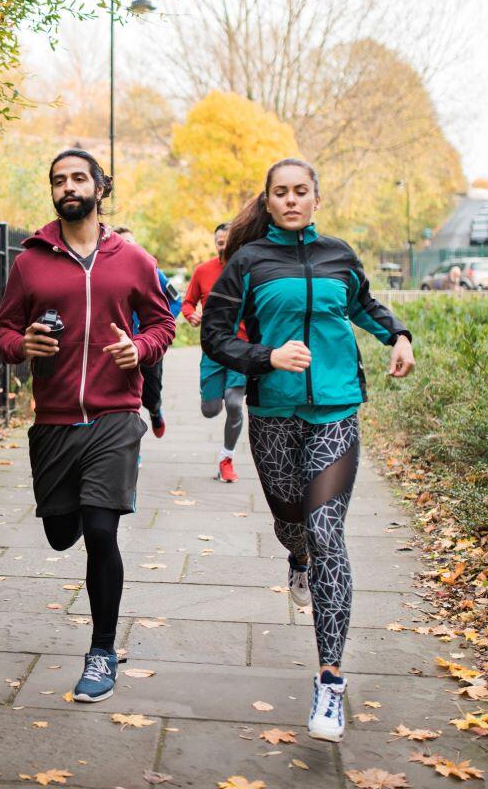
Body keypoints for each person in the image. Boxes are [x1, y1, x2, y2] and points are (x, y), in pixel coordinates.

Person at [201, 158, 414, 744]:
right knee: (292, 526)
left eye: (301, 192)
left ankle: (330, 681)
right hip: (272, 414)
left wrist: (397, 335)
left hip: (336, 411)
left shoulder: (339, 255)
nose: (292, 200)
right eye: (281, 193)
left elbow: (365, 306)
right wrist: (265, 358)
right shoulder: (247, 263)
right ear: (267, 202)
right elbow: (214, 335)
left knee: (326, 532)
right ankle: (295, 561)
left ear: (317, 198)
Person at [0, 150, 176, 703]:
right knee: (59, 533)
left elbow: (164, 322)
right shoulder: (30, 262)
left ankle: (101, 651)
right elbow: (2, 331)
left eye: (77, 178)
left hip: (116, 416)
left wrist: (139, 349)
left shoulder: (133, 259)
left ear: (100, 187)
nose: (67, 186)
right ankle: (65, 518)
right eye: (58, 180)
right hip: (53, 420)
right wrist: (22, 345)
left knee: (101, 530)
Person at [181, 223, 247, 482]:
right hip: (212, 347)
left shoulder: (246, 270)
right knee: (211, 409)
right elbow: (187, 302)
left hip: (241, 347)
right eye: (219, 241)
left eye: (227, 241)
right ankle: (212, 392)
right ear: (215, 243)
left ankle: (226, 458)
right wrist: (190, 314)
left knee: (233, 402)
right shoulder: (203, 271)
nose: (223, 244)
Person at [113, 226, 180, 437]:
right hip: (119, 346)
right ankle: (131, 447)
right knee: (123, 399)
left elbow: (176, 301)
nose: (129, 247)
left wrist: (157, 328)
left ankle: (155, 410)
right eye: (123, 243)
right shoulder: (107, 274)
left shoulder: (150, 271)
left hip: (147, 344)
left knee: (150, 393)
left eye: (131, 243)